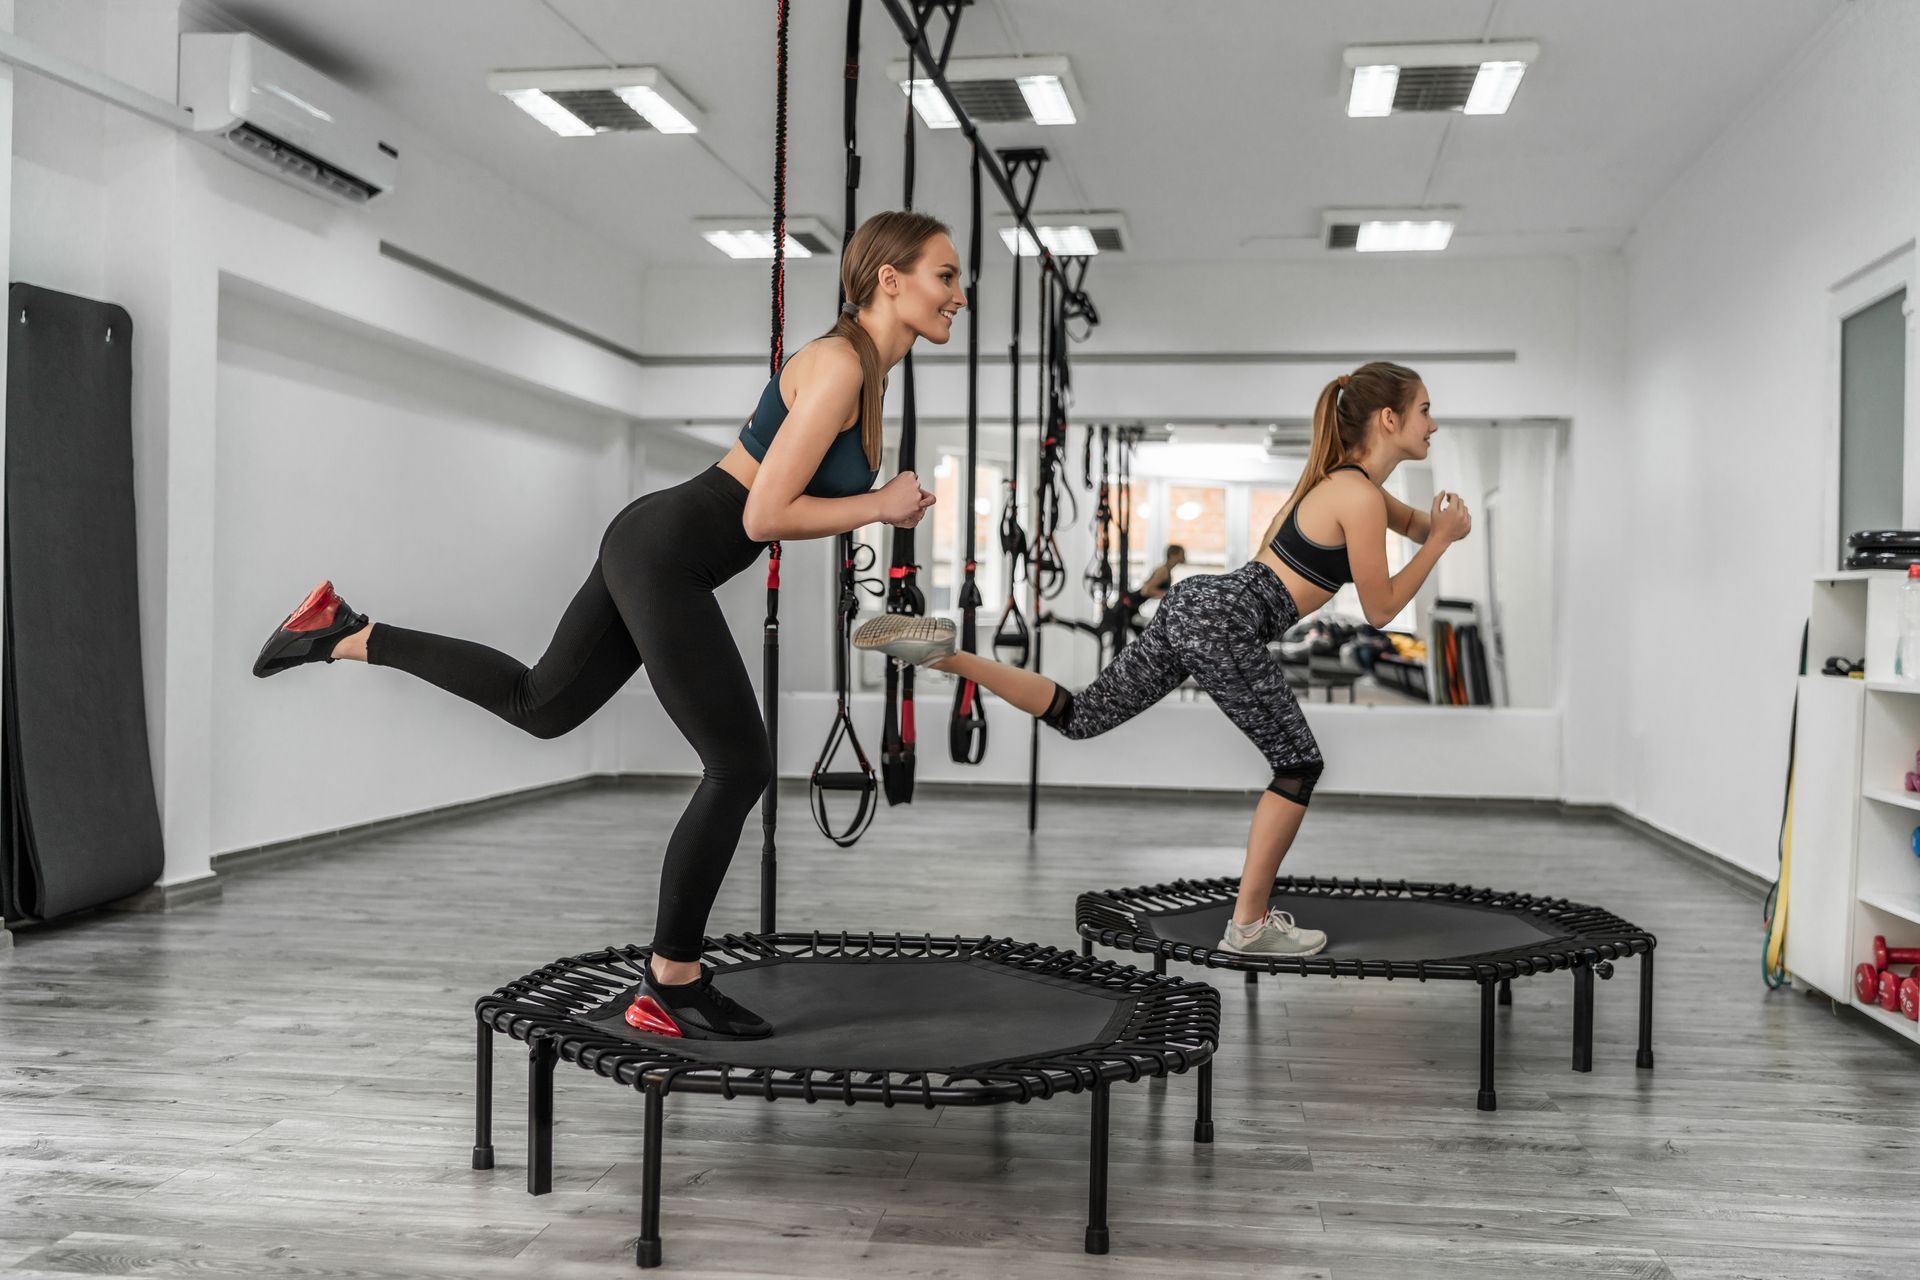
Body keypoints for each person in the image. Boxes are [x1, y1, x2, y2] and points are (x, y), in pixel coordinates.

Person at [251, 211, 960, 1039]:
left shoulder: (867, 371)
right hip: (667, 553)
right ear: (889, 278)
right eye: (945, 275)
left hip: (660, 545)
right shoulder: (839, 366)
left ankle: (341, 632)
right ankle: (671, 980)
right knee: (739, 765)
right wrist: (878, 505)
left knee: (539, 705)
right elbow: (765, 514)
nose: (959, 294)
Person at [859, 362, 1470, 957]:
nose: (1433, 424)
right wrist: (1442, 540)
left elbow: (1419, 524)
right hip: (1226, 618)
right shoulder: (1356, 496)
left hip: (1197, 603)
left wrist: (1442, 526)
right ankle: (1250, 926)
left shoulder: (1349, 488)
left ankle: (947, 655)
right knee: (1297, 765)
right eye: (1425, 410)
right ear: (1389, 419)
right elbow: (1383, 607)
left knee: (1082, 715)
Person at [1045, 544, 1184, 654]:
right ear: (1174, 555)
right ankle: (1055, 619)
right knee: (1100, 632)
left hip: (1132, 609)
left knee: (1145, 640)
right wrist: (1167, 594)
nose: (1184, 556)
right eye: (1181, 554)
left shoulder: (1166, 571)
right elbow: (1146, 590)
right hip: (1126, 606)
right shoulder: (1163, 571)